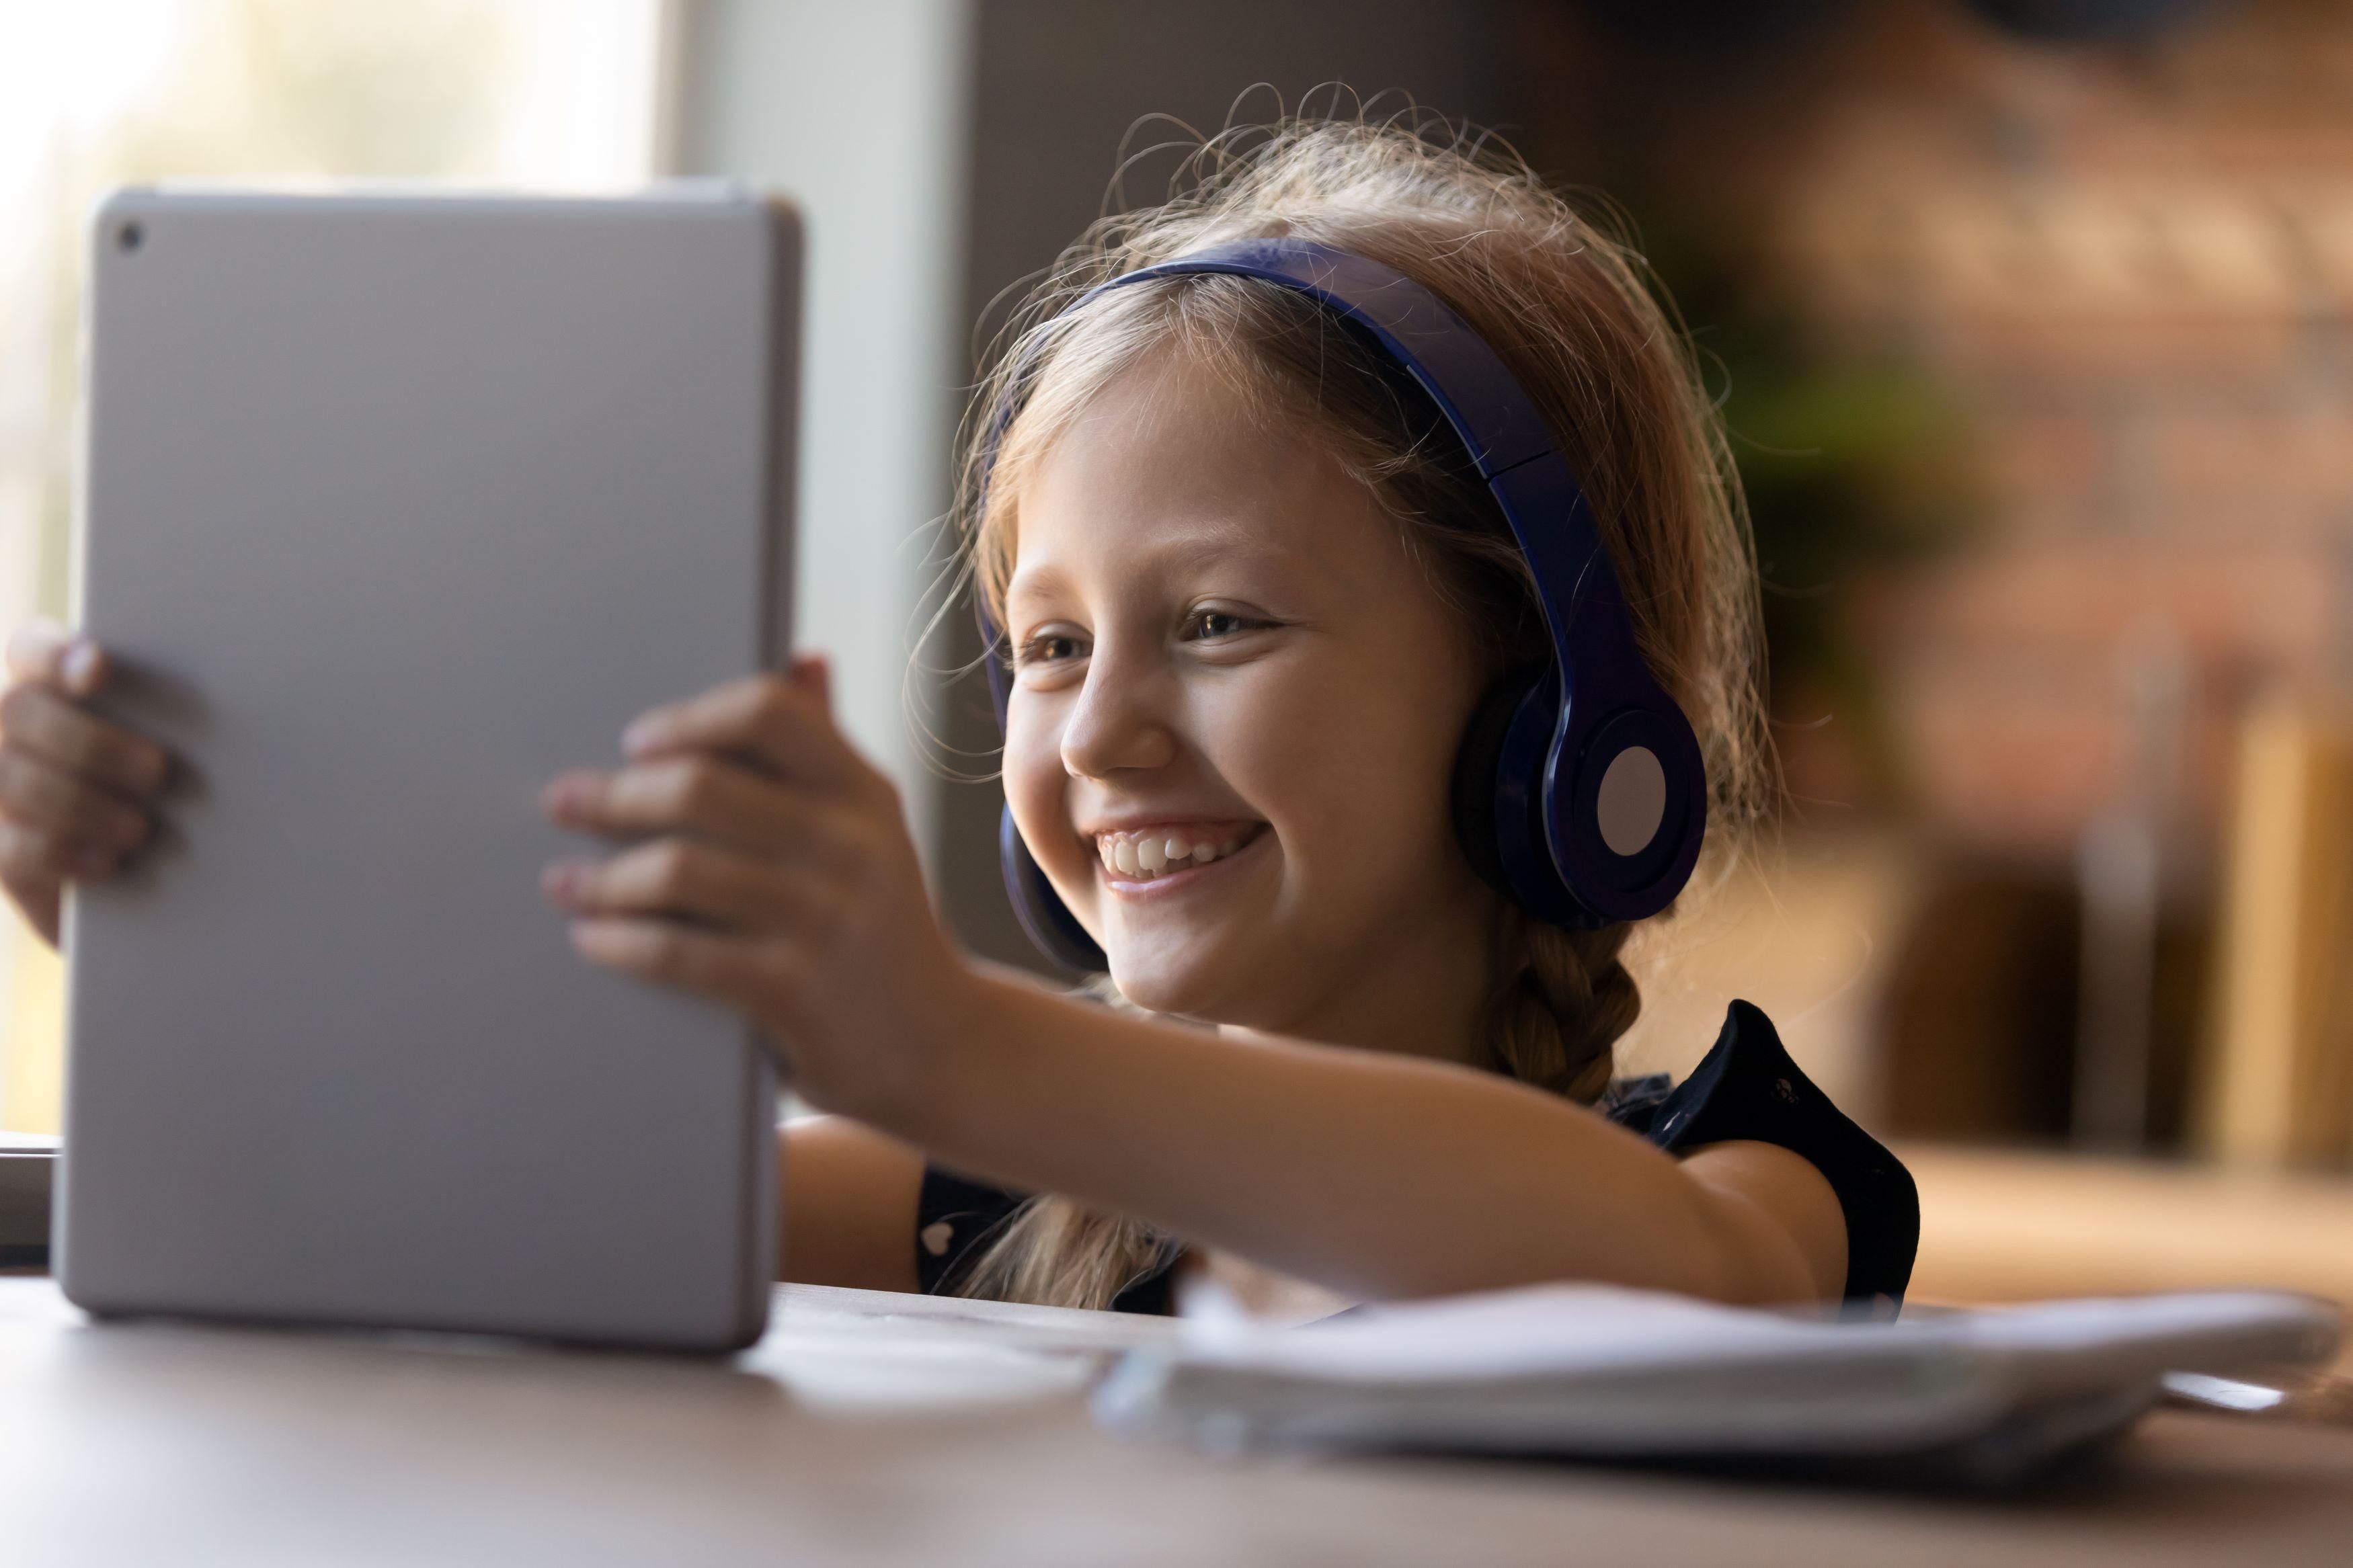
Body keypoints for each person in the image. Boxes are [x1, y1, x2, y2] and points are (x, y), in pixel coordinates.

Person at [0, 118, 1914, 1320]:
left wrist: (934, 1036)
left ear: (1550, 716)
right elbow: (457, 1188)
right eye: (1053, 647)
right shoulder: (996, 1197)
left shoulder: (1744, 1177)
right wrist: (185, 898)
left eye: (1220, 624)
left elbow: (1676, 1285)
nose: (1095, 738)